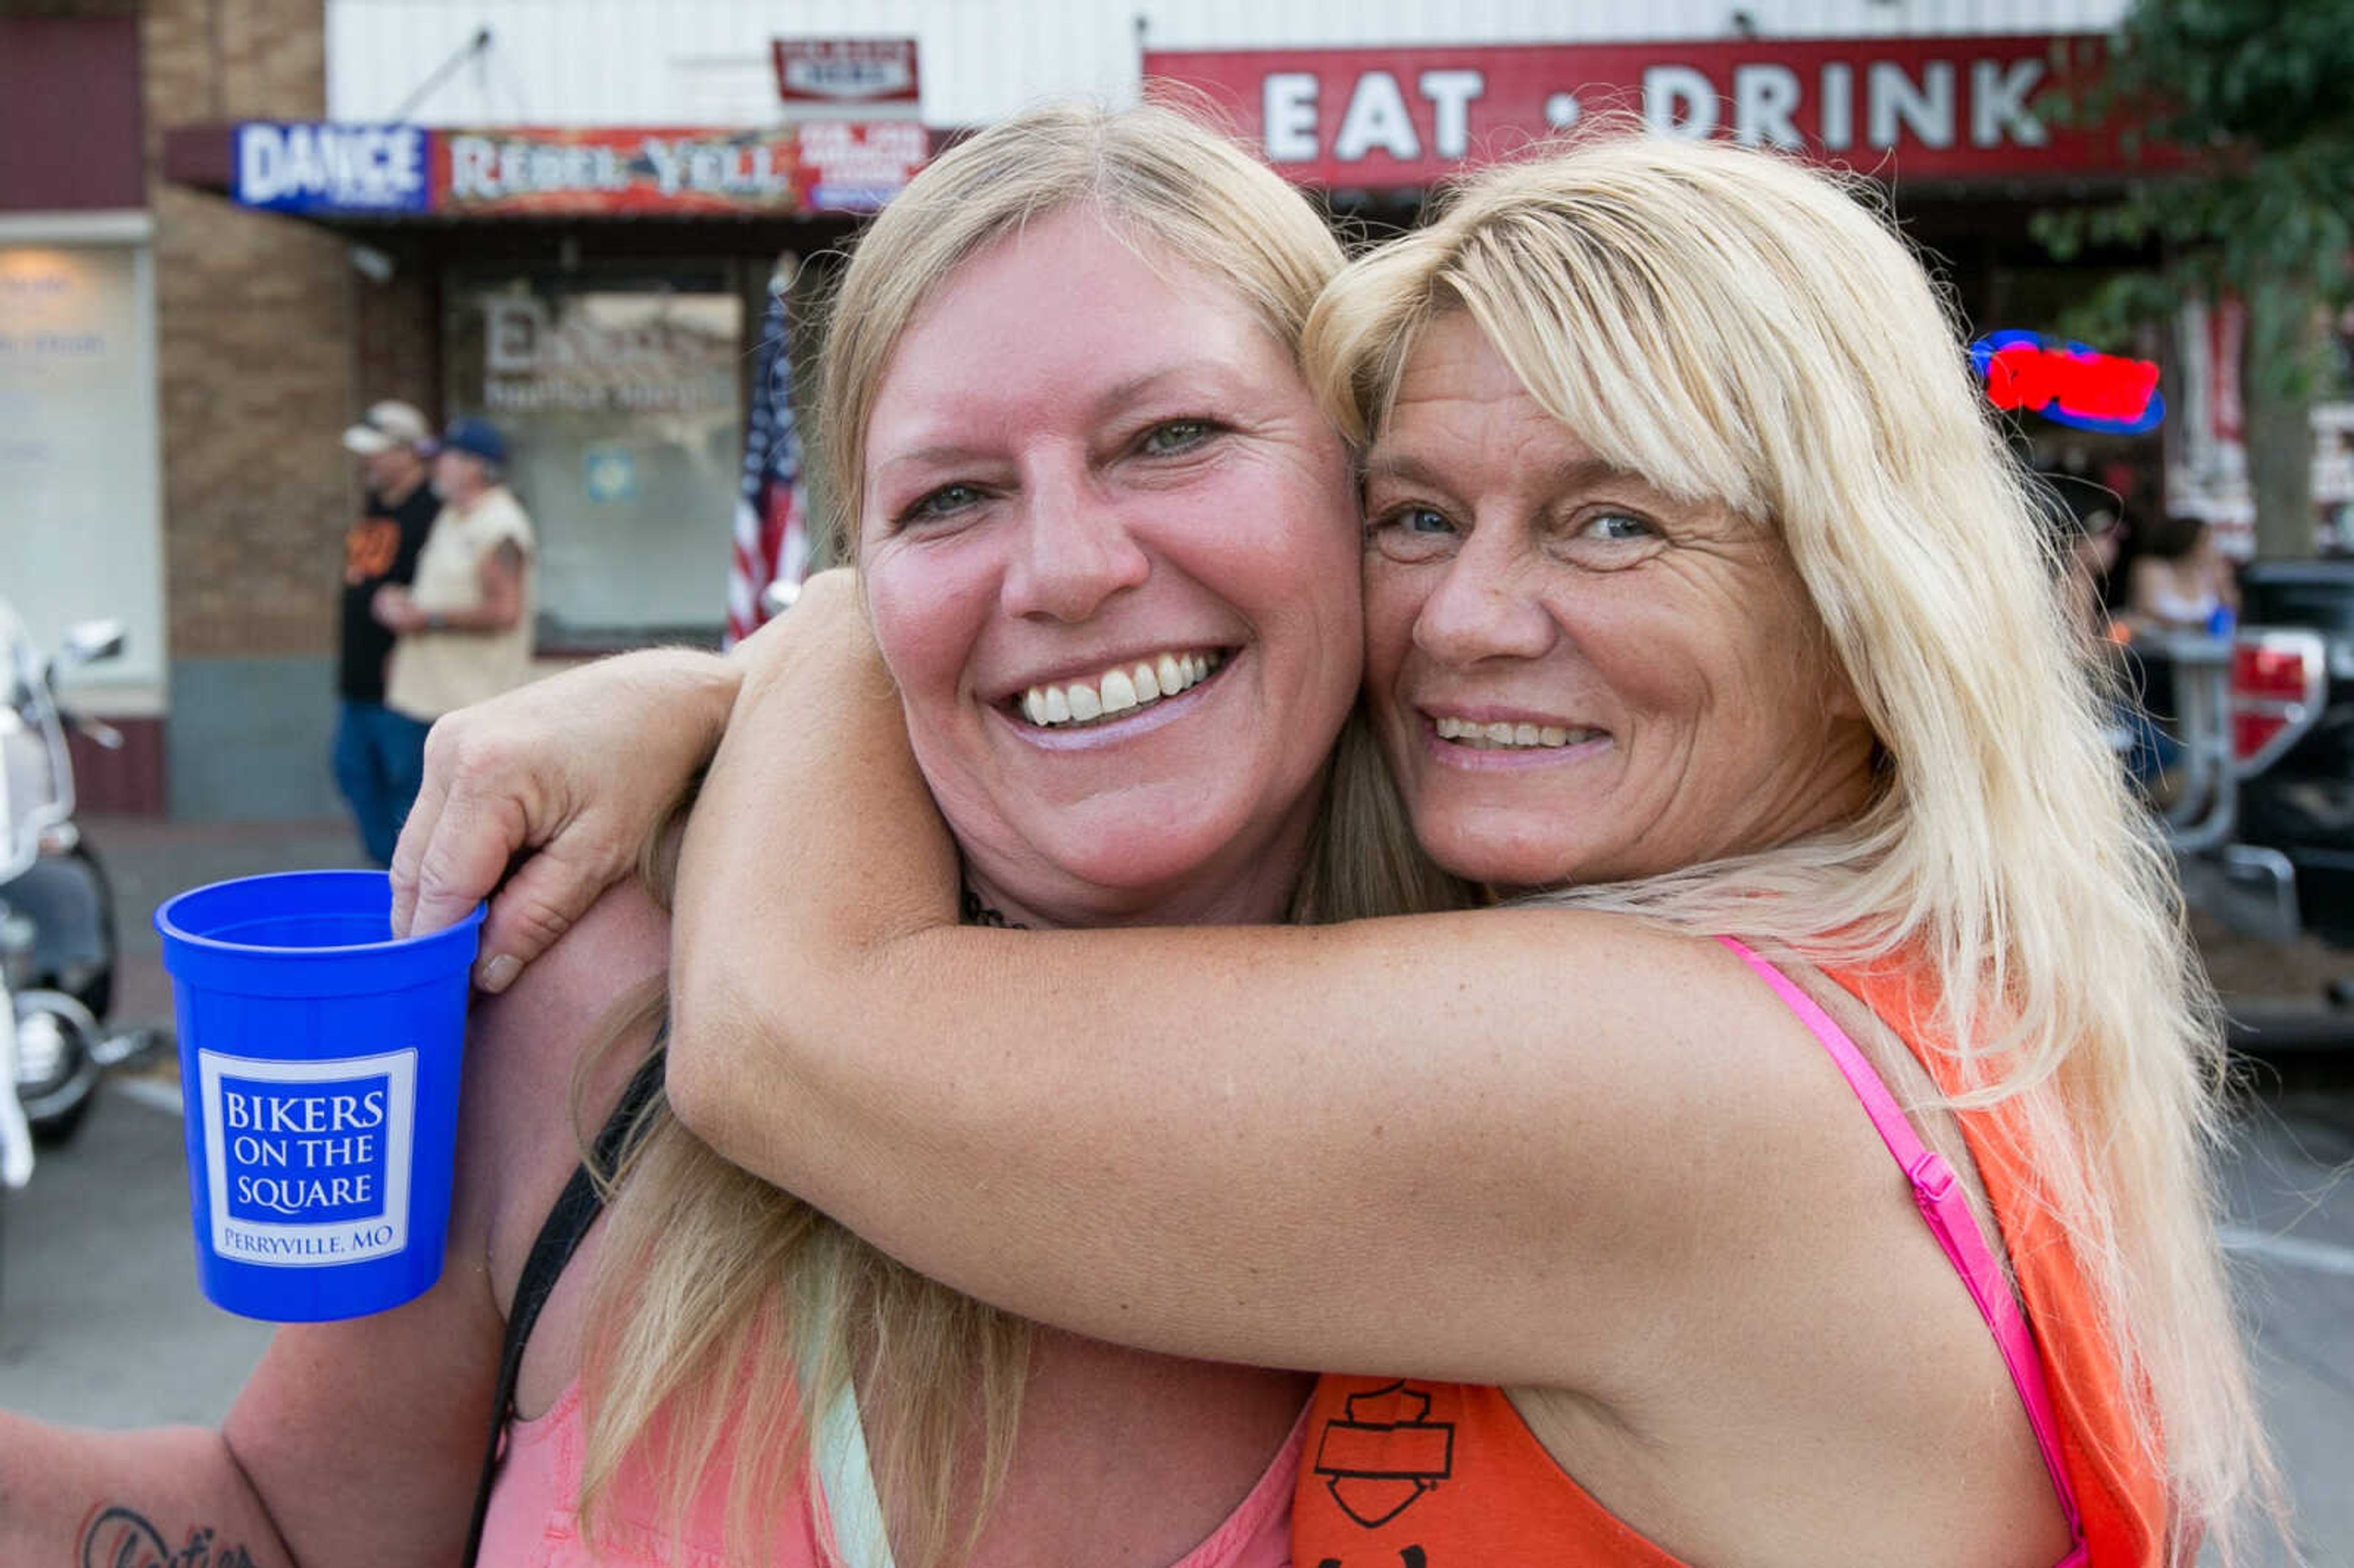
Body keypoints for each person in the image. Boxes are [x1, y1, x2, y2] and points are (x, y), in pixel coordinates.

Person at [398, 135, 2276, 1567]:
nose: (1461, 620)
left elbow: (789, 1028)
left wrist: (799, 639)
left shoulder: (1674, 1082)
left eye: (1610, 523)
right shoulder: (1873, 1003)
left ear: (1868, 624)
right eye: (1414, 513)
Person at [0, 101, 1434, 1568]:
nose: (1067, 569)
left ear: (1362, 478)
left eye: (1172, 436)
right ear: (862, 579)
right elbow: (283, 1527)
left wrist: (733, 674)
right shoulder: (594, 1010)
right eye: (950, 496)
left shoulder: (1573, 1042)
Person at [371, 414, 537, 842]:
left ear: (475, 466)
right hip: (422, 698)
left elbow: (505, 611)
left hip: (464, 706)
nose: (436, 467)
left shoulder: (500, 525)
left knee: (442, 830)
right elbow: (443, 594)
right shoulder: (452, 516)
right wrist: (405, 603)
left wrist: (426, 619)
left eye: (445, 458)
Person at [332, 399, 441, 865]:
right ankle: (389, 881)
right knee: (351, 772)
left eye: (377, 451)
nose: (367, 460)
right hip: (357, 684)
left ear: (409, 452)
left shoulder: (435, 513)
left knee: (407, 793)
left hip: (403, 690)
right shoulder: (377, 504)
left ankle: (412, 898)